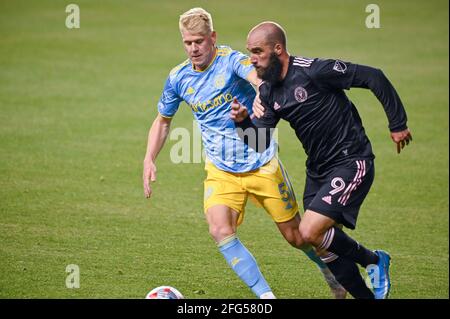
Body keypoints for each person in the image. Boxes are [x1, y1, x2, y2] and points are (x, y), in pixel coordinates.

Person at [142, 8, 347, 299]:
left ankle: (333, 273)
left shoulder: (231, 61)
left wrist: (263, 92)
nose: (193, 48)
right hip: (221, 170)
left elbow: (257, 76)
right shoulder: (178, 78)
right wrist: (149, 157)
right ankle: (266, 298)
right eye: (187, 43)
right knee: (219, 230)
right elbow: (163, 120)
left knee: (298, 237)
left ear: (212, 37)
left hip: (261, 164)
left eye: (199, 41)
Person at [231, 21, 412, 299]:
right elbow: (259, 143)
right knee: (323, 246)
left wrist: (397, 123)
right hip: (317, 171)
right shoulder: (268, 91)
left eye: (258, 51)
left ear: (278, 49)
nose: (251, 59)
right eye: (249, 52)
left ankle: (375, 260)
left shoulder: (314, 71)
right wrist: (243, 122)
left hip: (351, 160)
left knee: (309, 231)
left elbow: (374, 76)